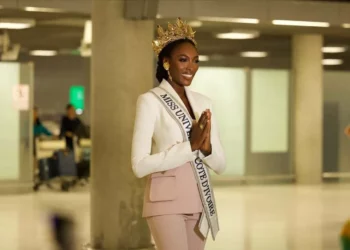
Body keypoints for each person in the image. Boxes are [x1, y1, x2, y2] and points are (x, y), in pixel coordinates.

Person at [131, 18, 226, 250]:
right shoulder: (149, 101)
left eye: (195, 61)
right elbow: (139, 165)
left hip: (199, 199)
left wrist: (206, 149)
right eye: (183, 60)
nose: (190, 67)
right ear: (166, 62)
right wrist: (189, 147)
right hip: (164, 201)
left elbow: (221, 165)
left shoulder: (204, 103)